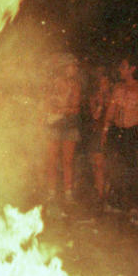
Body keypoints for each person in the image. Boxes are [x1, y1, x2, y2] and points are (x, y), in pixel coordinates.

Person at [101, 56, 138, 210]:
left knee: (131, 167)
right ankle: (114, 200)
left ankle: (132, 202)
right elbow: (111, 110)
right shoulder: (117, 88)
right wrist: (105, 130)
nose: (120, 70)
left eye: (123, 67)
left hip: (132, 131)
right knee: (114, 165)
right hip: (116, 130)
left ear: (132, 69)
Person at [43, 54, 81, 203]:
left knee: (68, 161)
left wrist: (63, 109)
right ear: (66, 67)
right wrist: (63, 107)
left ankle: (68, 192)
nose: (75, 69)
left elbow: (76, 107)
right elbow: (49, 102)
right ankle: (51, 192)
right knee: (51, 160)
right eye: (73, 66)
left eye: (76, 66)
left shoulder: (76, 85)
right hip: (55, 124)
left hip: (69, 125)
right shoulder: (55, 83)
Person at [86, 65, 113, 206]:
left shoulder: (115, 95)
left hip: (111, 133)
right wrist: (101, 104)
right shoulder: (94, 97)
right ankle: (100, 195)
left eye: (105, 82)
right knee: (97, 165)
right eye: (101, 82)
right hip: (97, 132)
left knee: (108, 166)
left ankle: (107, 194)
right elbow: (95, 116)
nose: (103, 85)